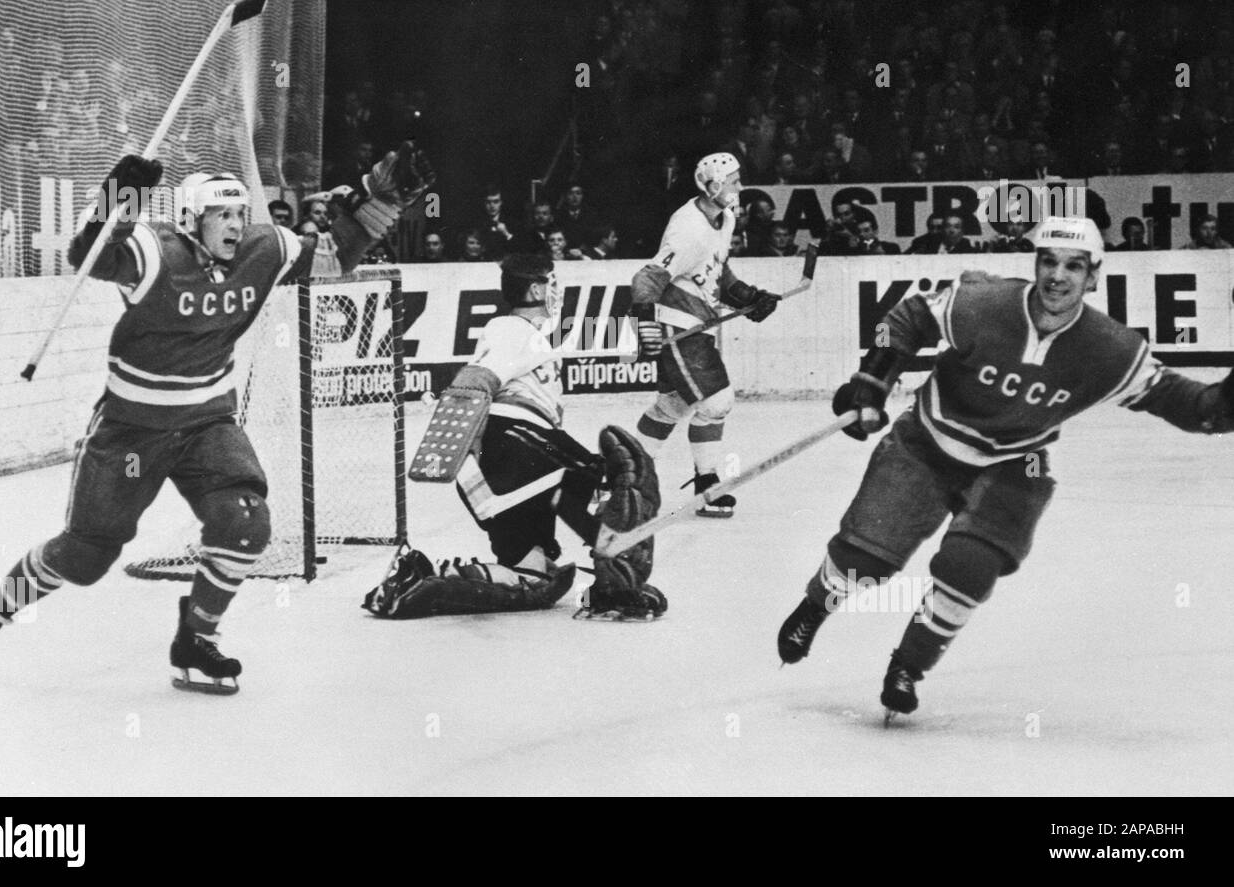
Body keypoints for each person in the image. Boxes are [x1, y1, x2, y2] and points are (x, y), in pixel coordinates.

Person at [0, 146, 432, 690]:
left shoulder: (262, 248)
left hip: (208, 423)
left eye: (238, 214)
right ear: (191, 220)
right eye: (220, 215)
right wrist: (121, 195)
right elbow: (86, 254)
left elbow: (335, 259)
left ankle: (197, 638)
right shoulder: (156, 252)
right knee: (87, 556)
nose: (234, 225)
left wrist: (378, 203)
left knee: (246, 521)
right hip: (134, 433)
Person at [775, 217, 1234, 720]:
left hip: (1019, 461)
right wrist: (870, 383)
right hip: (927, 441)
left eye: (1074, 267)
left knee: (970, 566)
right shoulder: (983, 302)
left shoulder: (1112, 351)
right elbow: (903, 318)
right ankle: (816, 606)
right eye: (1049, 262)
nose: (1058, 276)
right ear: (1036, 264)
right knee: (865, 558)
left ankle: (908, 665)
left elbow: (1201, 410)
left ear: (1094, 276)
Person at [367, 254, 665, 621]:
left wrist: (639, 333)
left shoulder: (538, 333)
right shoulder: (513, 330)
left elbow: (590, 335)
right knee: (602, 482)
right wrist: (454, 439)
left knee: (534, 576)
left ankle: (422, 582)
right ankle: (617, 579)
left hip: (493, 478)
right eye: (553, 283)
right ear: (537, 288)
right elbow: (477, 376)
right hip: (515, 440)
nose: (557, 291)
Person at [630, 152, 781, 518]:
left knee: (673, 405)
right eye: (733, 182)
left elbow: (717, 269)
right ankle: (707, 484)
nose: (739, 187)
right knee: (717, 401)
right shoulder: (687, 228)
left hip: (697, 322)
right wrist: (646, 323)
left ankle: (622, 475)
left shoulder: (725, 217)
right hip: (678, 325)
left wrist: (746, 295)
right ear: (713, 187)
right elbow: (647, 278)